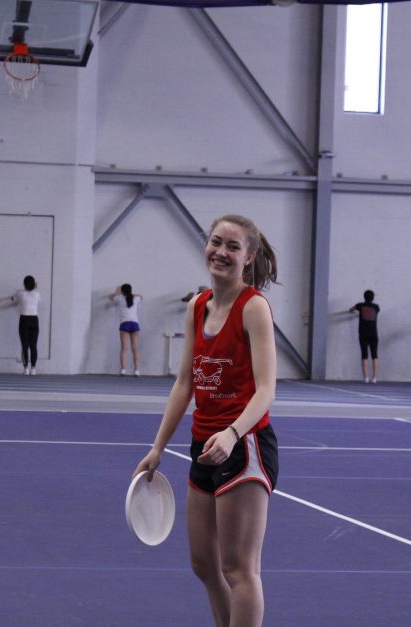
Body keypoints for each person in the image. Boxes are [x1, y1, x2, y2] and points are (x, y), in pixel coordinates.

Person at [133, 214, 278, 627]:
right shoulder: (197, 306)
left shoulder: (254, 309)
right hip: (204, 445)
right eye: (217, 242)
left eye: (233, 247)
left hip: (243, 445)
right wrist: (158, 447)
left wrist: (233, 434)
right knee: (204, 565)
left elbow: (266, 389)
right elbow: (185, 383)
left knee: (239, 569)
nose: (222, 252)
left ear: (248, 257)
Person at [108, 283, 142, 376]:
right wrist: (132, 294)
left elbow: (109, 296)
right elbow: (141, 296)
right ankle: (137, 370)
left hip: (125, 324)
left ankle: (123, 369)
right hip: (135, 324)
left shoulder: (119, 299)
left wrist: (117, 292)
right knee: (135, 348)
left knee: (124, 348)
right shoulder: (136, 299)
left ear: (122, 291)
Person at [11, 275, 41, 375]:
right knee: (33, 345)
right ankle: (33, 368)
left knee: (25, 345)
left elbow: (13, 299)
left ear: (24, 284)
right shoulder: (37, 294)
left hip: (24, 319)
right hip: (34, 319)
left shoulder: (20, 293)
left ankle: (25, 369)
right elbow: (38, 300)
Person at [349, 290, 380, 383]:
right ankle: (374, 378)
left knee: (364, 355)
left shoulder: (360, 306)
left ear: (364, 297)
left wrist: (354, 312)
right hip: (374, 333)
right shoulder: (376, 307)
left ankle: (365, 377)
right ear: (373, 298)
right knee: (375, 355)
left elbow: (351, 309)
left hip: (363, 333)